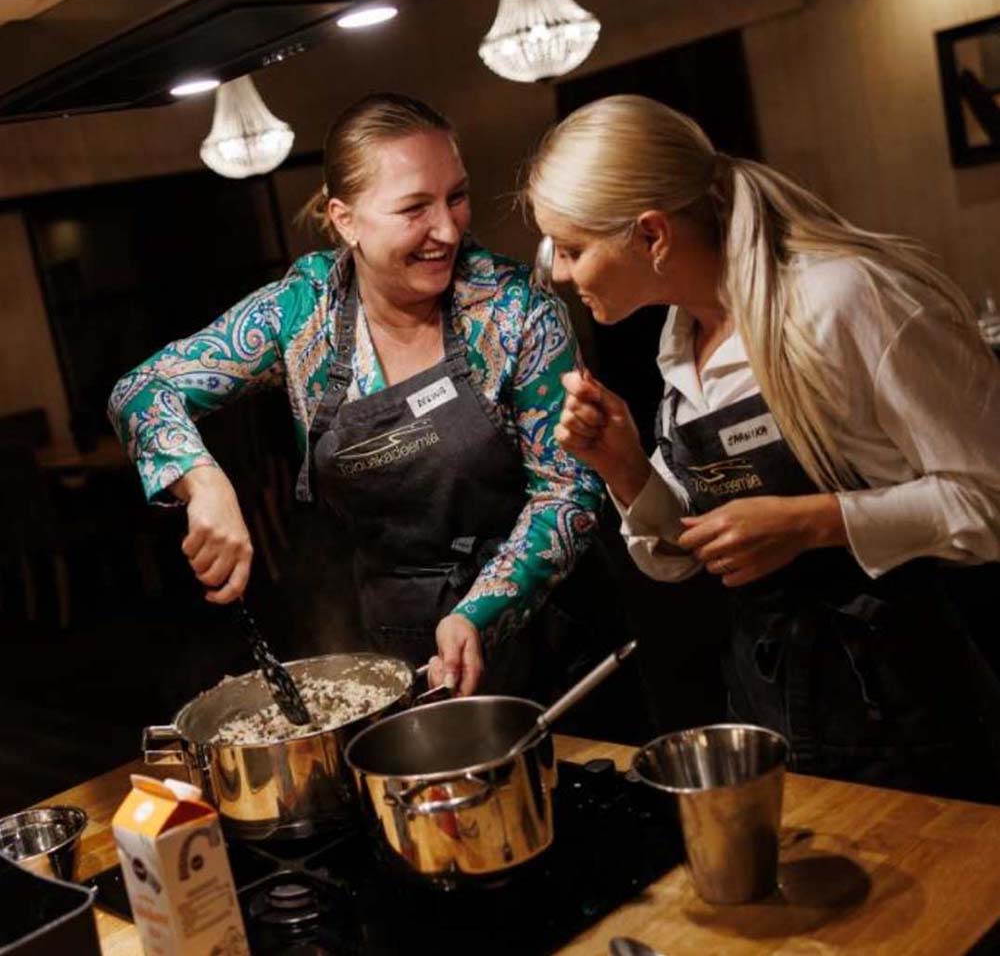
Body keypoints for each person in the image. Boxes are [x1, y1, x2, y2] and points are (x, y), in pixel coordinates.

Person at [524, 93, 1000, 798]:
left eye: (571, 248)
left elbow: (989, 501)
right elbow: (691, 556)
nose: (560, 273)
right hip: (769, 710)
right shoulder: (681, 335)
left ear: (652, 235)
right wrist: (624, 468)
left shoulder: (844, 301)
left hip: (908, 714)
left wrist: (812, 523)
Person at [108, 92, 608, 698]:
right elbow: (143, 388)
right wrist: (202, 481)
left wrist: (479, 611)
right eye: (414, 209)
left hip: (544, 635)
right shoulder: (302, 314)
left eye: (456, 196)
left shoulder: (514, 309)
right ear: (345, 220)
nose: (447, 230)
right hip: (391, 641)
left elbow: (567, 489)